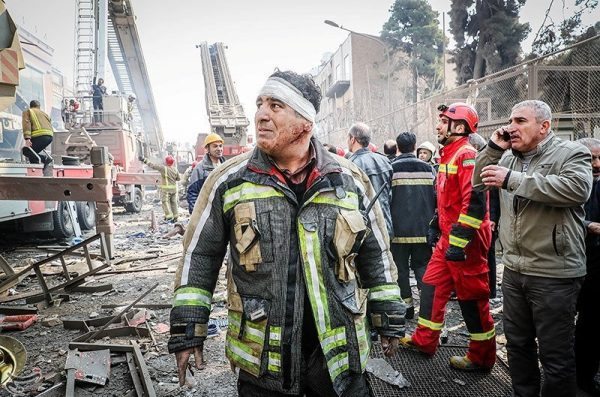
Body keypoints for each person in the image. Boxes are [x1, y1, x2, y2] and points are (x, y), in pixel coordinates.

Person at [168, 70, 405, 397]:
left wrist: (387, 313)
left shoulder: (348, 180)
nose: (261, 114)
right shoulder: (229, 181)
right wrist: (188, 329)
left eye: (275, 106)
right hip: (263, 362)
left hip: (337, 358)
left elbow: (375, 252)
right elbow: (200, 255)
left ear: (305, 121)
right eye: (260, 104)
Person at [473, 100, 592, 396]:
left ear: (544, 126)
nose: (511, 127)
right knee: (517, 345)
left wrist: (512, 180)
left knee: (555, 356)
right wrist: (492, 149)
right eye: (510, 120)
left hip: (554, 272)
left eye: (520, 121)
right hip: (514, 270)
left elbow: (577, 189)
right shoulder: (509, 157)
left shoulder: (571, 152)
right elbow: (477, 182)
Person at [402, 102, 496, 372]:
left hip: (467, 244)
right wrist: (435, 223)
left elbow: (474, 202)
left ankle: (481, 357)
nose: (437, 126)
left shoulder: (467, 155)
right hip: (449, 240)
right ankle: (424, 341)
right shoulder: (448, 155)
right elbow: (448, 201)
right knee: (431, 286)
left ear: (459, 126)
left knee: (472, 300)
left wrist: (459, 241)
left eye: (443, 121)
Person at [390, 132, 436, 319]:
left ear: (398, 147)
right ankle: (426, 310)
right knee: (423, 268)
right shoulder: (429, 169)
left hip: (398, 231)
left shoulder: (391, 168)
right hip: (423, 230)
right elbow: (436, 196)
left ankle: (407, 308)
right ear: (415, 145)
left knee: (400, 270)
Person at [575, 137, 600, 396]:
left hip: (595, 265)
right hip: (566, 264)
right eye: (589, 158)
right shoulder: (567, 185)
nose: (596, 164)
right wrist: (587, 226)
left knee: (590, 323)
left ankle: (585, 375)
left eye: (598, 158)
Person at [347, 122, 393, 236]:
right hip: (386, 224)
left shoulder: (351, 165)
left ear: (352, 139)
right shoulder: (384, 160)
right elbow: (391, 194)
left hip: (365, 230)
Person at [186, 133, 225, 213]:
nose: (219, 149)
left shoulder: (226, 165)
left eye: (220, 146)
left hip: (224, 211)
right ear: (207, 148)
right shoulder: (200, 169)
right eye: (215, 146)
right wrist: (195, 215)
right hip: (208, 213)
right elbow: (193, 193)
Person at [140, 154, 181, 222]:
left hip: (166, 190)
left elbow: (153, 165)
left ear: (166, 162)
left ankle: (169, 217)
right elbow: (178, 178)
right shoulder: (175, 169)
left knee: (165, 202)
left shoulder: (163, 168)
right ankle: (176, 217)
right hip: (174, 190)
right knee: (173, 203)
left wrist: (144, 160)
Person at [22, 100, 54, 170]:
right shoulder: (44, 114)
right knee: (33, 154)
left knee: (26, 151)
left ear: (30, 106)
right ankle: (36, 168)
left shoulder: (28, 111)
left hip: (40, 136)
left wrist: (27, 139)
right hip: (50, 136)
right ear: (39, 107)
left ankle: (45, 159)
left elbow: (26, 124)